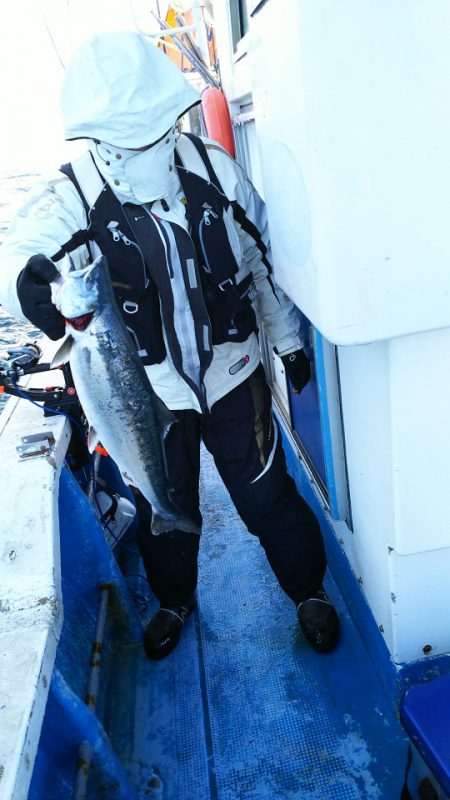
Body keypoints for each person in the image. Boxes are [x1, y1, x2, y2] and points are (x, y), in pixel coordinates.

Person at [0, 31, 339, 658]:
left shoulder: (213, 168)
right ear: (96, 135)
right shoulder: (72, 197)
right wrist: (25, 283)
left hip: (234, 372)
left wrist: (288, 338)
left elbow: (259, 259)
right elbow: (23, 251)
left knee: (268, 496)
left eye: (159, 126)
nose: (152, 144)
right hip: (145, 392)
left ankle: (310, 591)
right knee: (165, 509)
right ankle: (175, 601)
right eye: (132, 136)